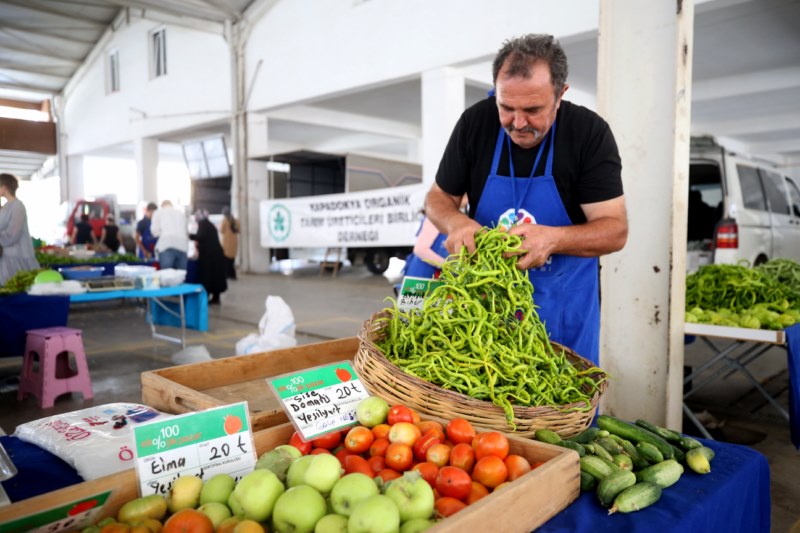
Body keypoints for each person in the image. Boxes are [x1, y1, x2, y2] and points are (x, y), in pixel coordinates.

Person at [425, 34, 628, 365]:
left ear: (560, 95)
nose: (517, 123)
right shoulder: (475, 124)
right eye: (506, 107)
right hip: (483, 313)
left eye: (533, 110)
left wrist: (553, 238)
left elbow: (615, 230)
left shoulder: (588, 134)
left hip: (562, 312)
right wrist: (457, 223)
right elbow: (437, 198)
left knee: (561, 407)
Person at [0, 173, 40, 286]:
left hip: (19, 258)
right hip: (6, 258)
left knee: (19, 288)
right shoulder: (6, 207)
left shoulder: (18, 207)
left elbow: (12, 235)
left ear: (4, 187)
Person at [190, 209, 227, 304]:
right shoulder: (208, 224)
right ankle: (216, 298)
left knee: (208, 277)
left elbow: (200, 236)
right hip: (215, 255)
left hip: (210, 257)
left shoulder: (203, 224)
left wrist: (189, 236)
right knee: (215, 277)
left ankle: (207, 298)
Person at [150, 200, 189, 270]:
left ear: (162, 206)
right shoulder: (180, 213)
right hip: (182, 247)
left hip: (167, 246)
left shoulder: (158, 212)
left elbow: (154, 232)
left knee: (167, 276)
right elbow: (186, 232)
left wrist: (163, 233)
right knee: (180, 276)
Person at [220, 206, 239, 280]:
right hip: (234, 242)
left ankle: (228, 274)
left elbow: (221, 230)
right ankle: (232, 275)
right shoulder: (235, 220)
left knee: (226, 260)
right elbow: (238, 230)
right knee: (232, 260)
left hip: (226, 243)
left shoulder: (225, 220)